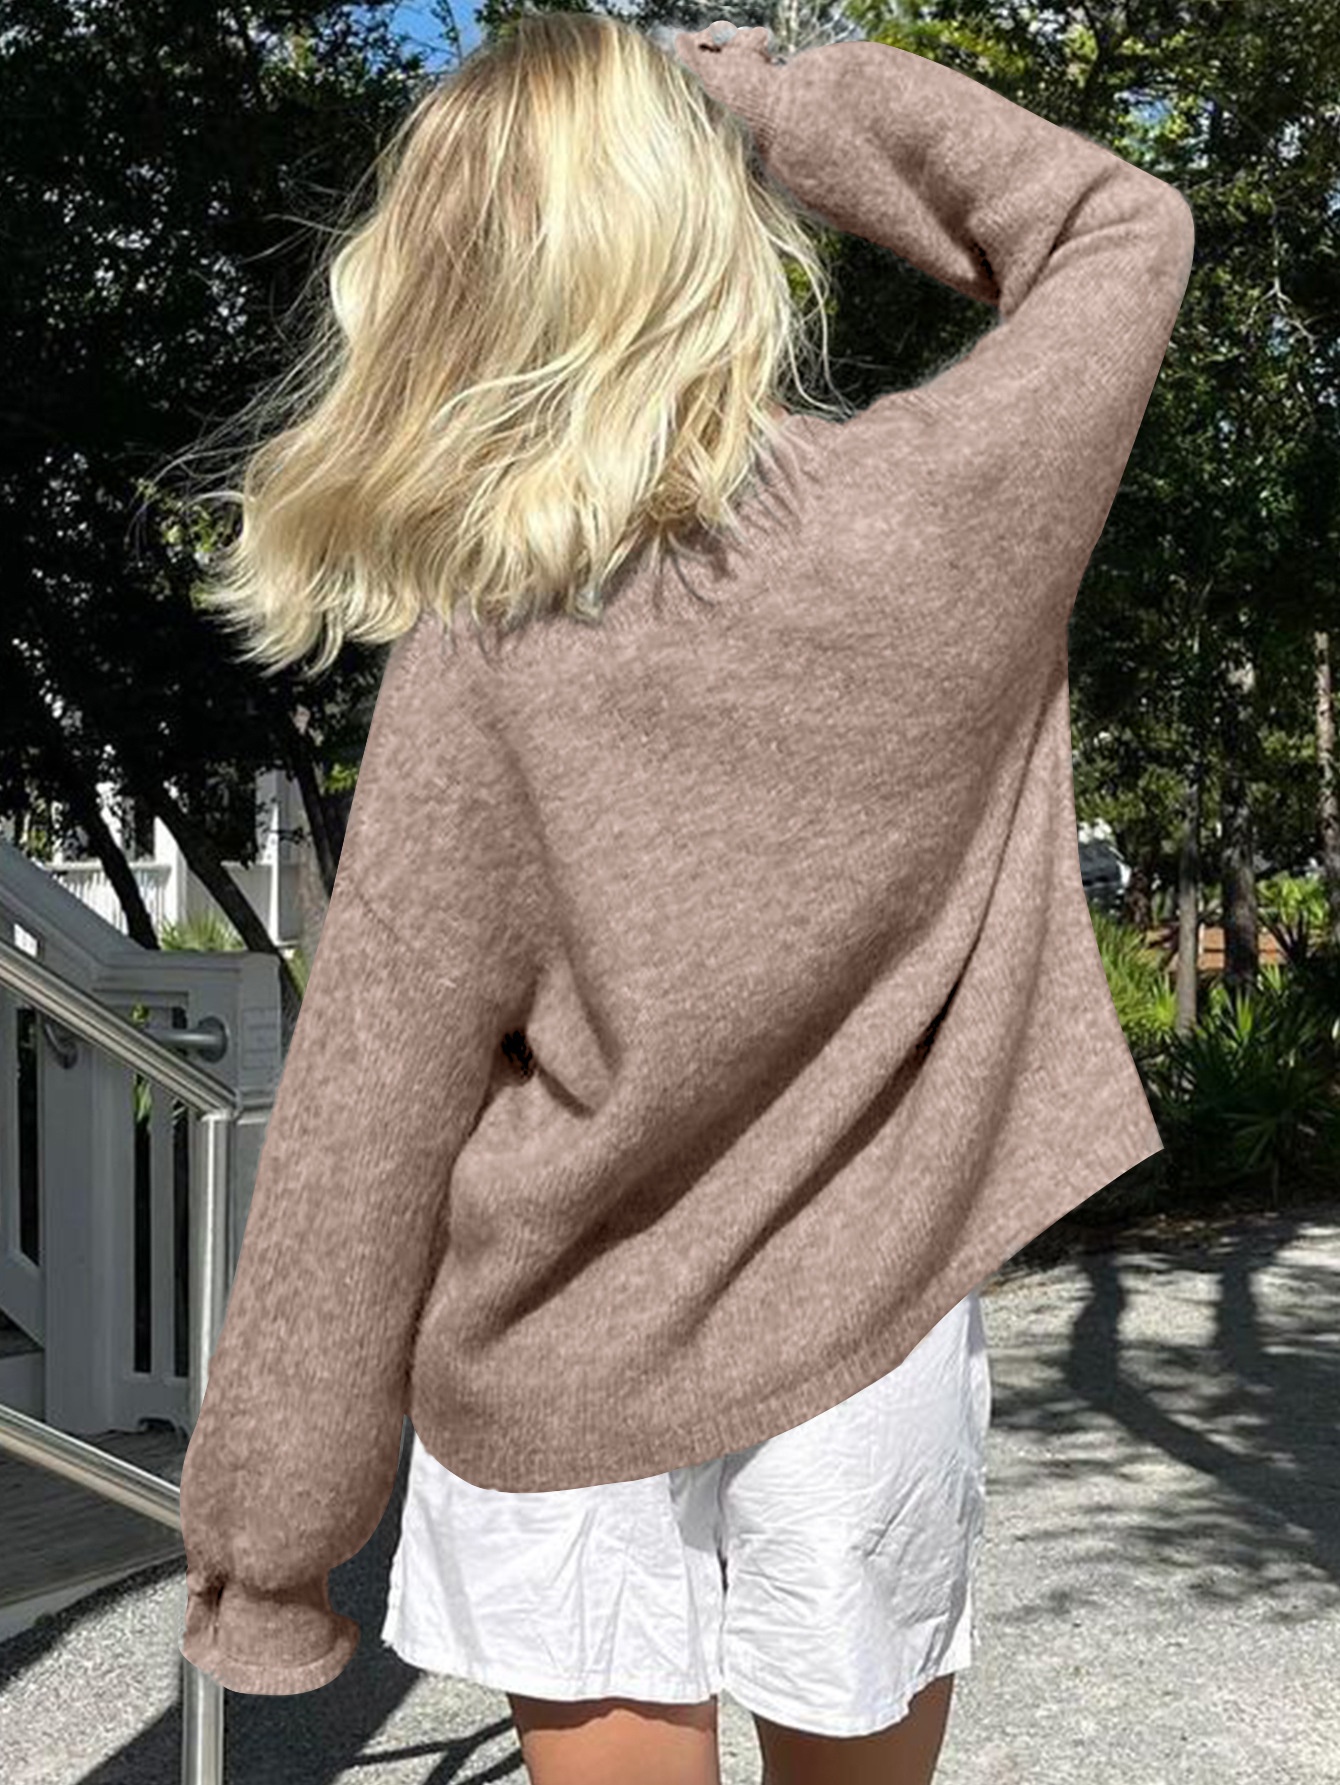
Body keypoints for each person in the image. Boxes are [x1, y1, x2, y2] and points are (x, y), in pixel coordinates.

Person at [174, 11, 1193, 1785]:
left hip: (562, 1354)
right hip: (869, 1332)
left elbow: (369, 1107)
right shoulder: (942, 519)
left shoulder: (484, 653)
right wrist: (768, 89)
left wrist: (271, 1536)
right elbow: (1121, 226)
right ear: (705, 228)